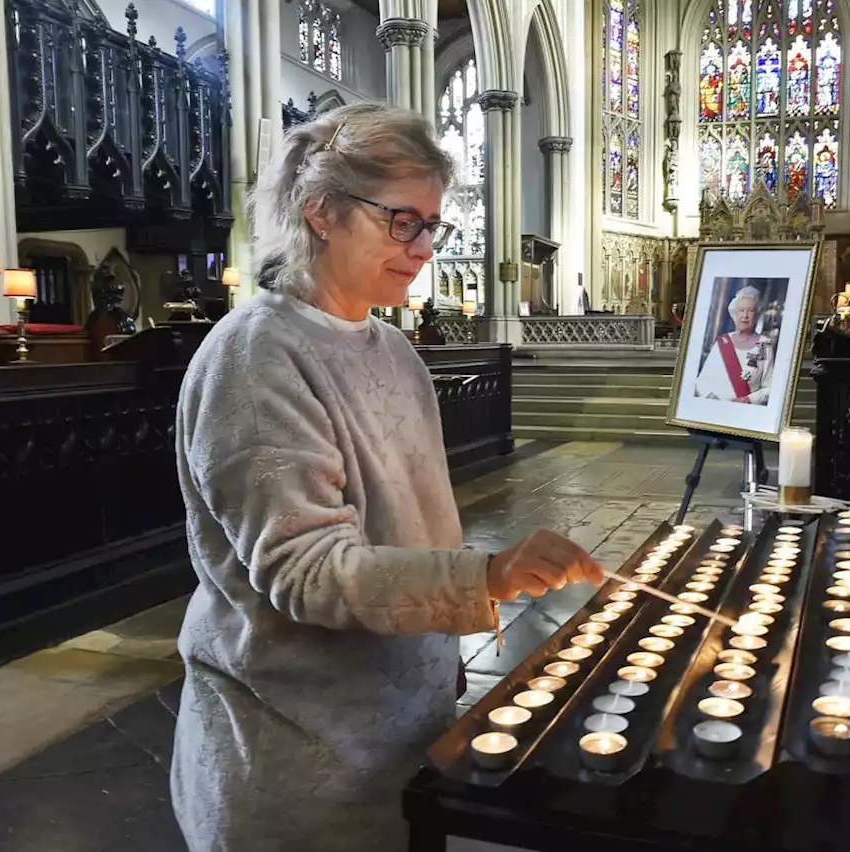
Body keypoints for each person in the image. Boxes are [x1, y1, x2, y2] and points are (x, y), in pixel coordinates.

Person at [171, 103, 604, 852]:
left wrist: (443, 663)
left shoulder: (394, 350)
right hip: (294, 755)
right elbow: (307, 572)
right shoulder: (256, 358)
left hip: (405, 729)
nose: (424, 247)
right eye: (403, 220)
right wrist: (487, 577)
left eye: (432, 225)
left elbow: (414, 525)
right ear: (320, 212)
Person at [694, 284, 775, 404]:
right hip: (716, 409)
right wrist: (710, 398)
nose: (745, 316)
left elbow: (770, 387)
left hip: (745, 413)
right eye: (741, 310)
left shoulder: (764, 344)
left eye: (751, 310)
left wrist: (748, 399)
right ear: (734, 313)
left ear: (757, 314)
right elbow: (702, 381)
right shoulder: (722, 342)